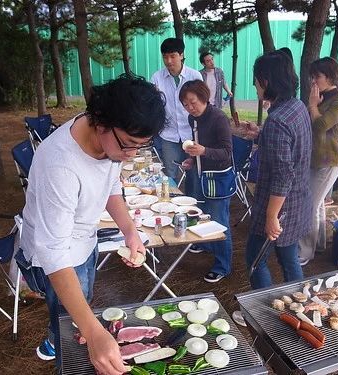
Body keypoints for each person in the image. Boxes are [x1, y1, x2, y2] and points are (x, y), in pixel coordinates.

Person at [17, 75, 166, 374]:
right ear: (101, 124)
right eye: (129, 145)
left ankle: (69, 331)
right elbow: (53, 252)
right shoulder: (59, 165)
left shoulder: (109, 140)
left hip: (85, 240)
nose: (132, 154)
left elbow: (111, 188)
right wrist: (94, 330)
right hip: (55, 257)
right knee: (72, 329)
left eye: (141, 146)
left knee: (79, 312)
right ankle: (61, 351)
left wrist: (130, 231)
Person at [231, 52, 312, 327]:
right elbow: (290, 147)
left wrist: (270, 216)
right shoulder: (295, 107)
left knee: (255, 260)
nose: (255, 87)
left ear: (265, 81)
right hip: (299, 200)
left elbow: (282, 176)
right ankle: (301, 309)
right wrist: (260, 133)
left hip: (279, 205)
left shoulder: (278, 121)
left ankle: (263, 314)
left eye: (255, 82)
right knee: (289, 257)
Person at [179, 80, 233, 283]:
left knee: (220, 222)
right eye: (185, 104)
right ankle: (205, 244)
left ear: (204, 98)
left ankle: (222, 265)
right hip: (200, 174)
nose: (190, 107)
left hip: (218, 178)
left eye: (193, 102)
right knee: (200, 213)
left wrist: (203, 151)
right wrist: (192, 159)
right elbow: (198, 147)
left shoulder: (219, 118)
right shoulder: (193, 119)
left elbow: (227, 153)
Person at [298, 57, 338, 266]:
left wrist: (312, 105)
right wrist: (314, 104)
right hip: (315, 159)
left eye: (317, 76)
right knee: (317, 204)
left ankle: (305, 252)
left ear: (329, 77)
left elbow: (320, 126)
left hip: (330, 161)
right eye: (313, 76)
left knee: (307, 205)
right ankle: (318, 245)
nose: (313, 81)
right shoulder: (322, 97)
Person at [151, 38, 202, 179]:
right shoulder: (157, 77)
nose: (168, 61)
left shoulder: (194, 76)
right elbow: (154, 106)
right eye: (165, 57)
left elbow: (203, 105)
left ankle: (192, 200)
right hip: (169, 134)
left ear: (181, 55)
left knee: (194, 174)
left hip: (192, 134)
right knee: (170, 175)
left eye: (172, 56)